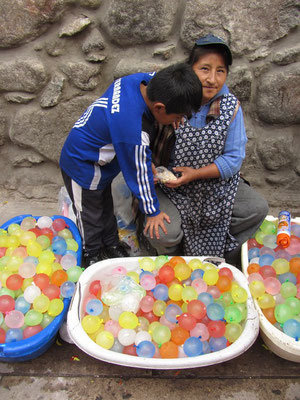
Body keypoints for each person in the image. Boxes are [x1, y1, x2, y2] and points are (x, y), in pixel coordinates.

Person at [59, 63, 202, 268]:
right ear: (160, 107)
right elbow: (139, 176)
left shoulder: (136, 81)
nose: (179, 121)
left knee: (105, 207)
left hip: (101, 164)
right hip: (80, 164)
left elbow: (158, 78)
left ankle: (110, 243)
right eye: (178, 117)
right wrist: (152, 211)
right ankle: (90, 253)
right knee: (88, 214)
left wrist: (177, 112)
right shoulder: (133, 131)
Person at [143, 34, 269, 267]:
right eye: (204, 69)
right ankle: (176, 261)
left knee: (256, 209)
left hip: (214, 184)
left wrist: (195, 173)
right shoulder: (173, 97)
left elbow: (233, 160)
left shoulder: (231, 107)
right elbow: (144, 142)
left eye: (220, 71)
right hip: (172, 187)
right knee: (163, 233)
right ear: (190, 69)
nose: (212, 79)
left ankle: (225, 261)